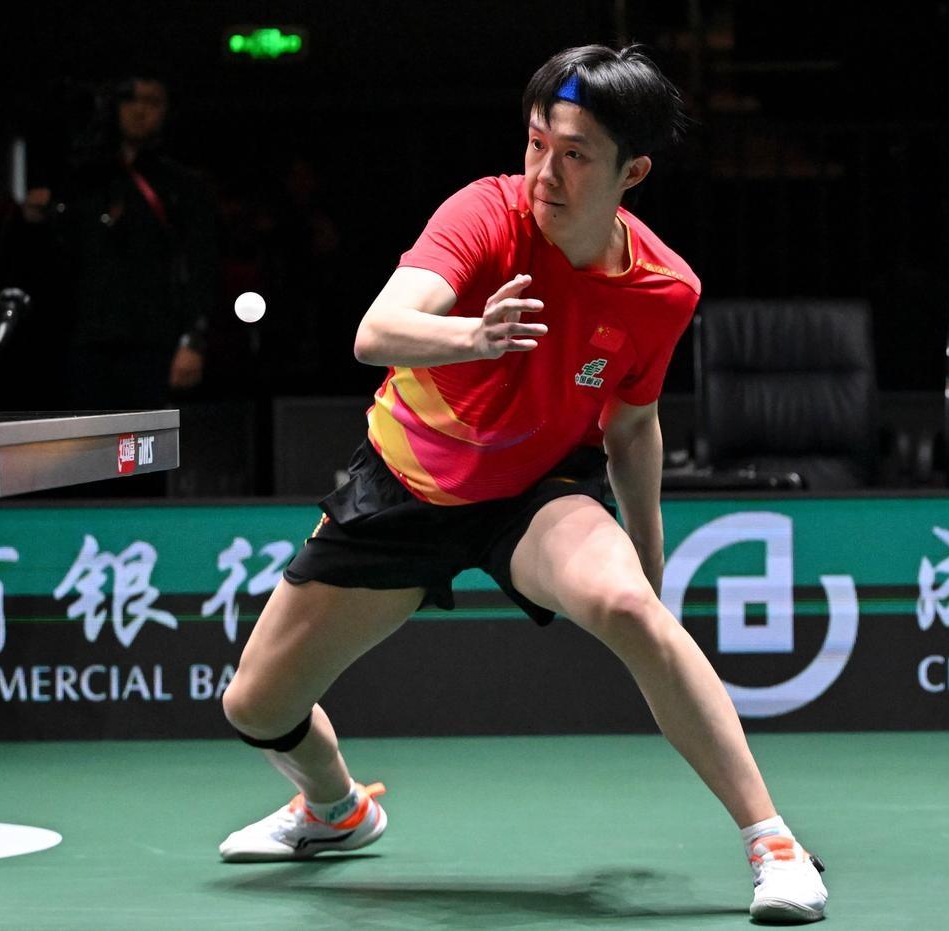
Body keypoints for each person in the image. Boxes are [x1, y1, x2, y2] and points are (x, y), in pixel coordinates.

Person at [218, 45, 828, 923]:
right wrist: (475, 336)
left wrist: (648, 564)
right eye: (537, 142)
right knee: (254, 704)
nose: (544, 171)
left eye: (574, 154)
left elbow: (631, 426)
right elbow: (375, 331)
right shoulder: (483, 213)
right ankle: (334, 807)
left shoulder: (663, 289)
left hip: (537, 489)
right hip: (404, 482)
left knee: (625, 607)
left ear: (632, 172)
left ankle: (773, 844)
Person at [21, 75, 216, 412]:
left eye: (152, 101)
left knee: (146, 440)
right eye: (130, 100)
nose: (140, 110)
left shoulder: (183, 185)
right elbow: (57, 263)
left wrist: (193, 340)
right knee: (88, 438)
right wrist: (37, 223)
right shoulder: (82, 179)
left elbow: (201, 265)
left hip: (154, 341)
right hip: (87, 339)